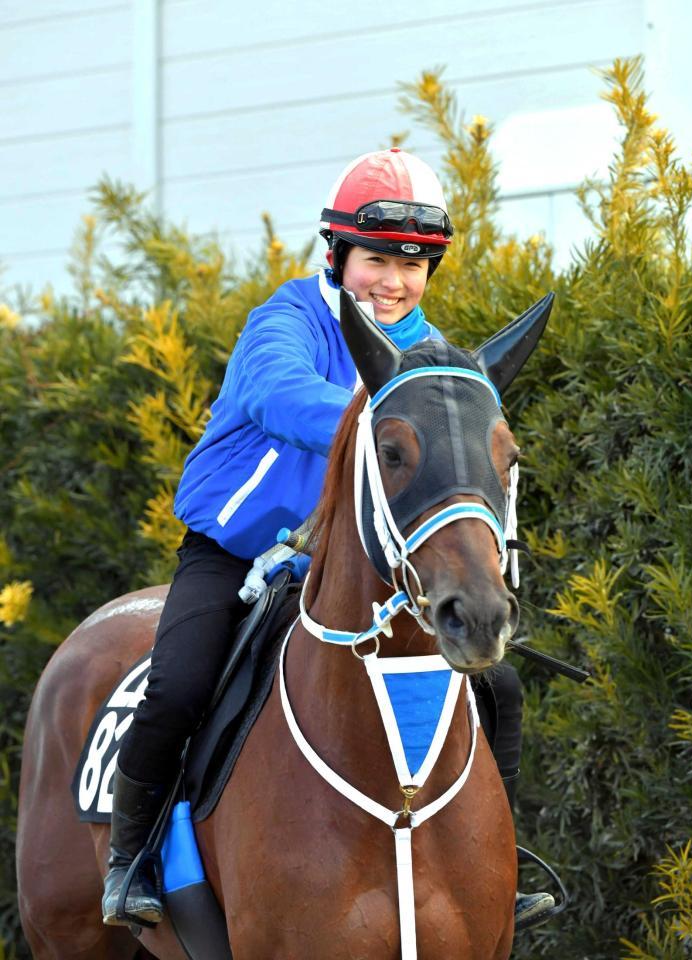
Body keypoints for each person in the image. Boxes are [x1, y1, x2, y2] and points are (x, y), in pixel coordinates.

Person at [101, 148, 554, 930]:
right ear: (337, 253)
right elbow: (284, 398)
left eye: (412, 268)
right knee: (178, 682)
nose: (393, 282)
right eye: (376, 258)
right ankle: (130, 858)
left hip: (347, 568)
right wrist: (387, 417)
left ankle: (500, 872)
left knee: (499, 687)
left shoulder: (425, 356)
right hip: (235, 553)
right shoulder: (282, 320)